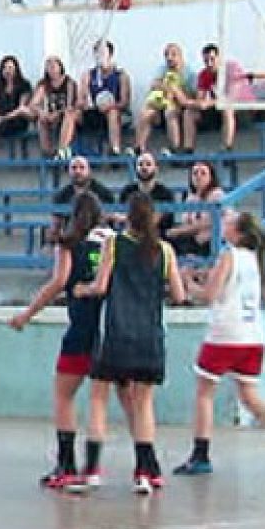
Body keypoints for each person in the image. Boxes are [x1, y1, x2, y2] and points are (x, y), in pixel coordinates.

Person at [172, 212, 265, 477]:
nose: (224, 223)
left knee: (204, 393)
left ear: (238, 232)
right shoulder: (254, 259)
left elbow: (210, 295)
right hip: (252, 335)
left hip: (225, 334)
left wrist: (186, 282)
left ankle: (201, 454)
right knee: (250, 394)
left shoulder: (229, 255)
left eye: (230, 221)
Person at [84, 193, 186, 495]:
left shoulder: (113, 244)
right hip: (149, 335)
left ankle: (92, 469)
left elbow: (101, 286)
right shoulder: (164, 250)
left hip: (117, 332)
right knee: (144, 404)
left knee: (99, 398)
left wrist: (83, 288)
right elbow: (179, 296)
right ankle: (144, 472)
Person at [8, 192, 109, 492]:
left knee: (64, 396)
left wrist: (27, 313)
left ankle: (66, 465)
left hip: (81, 329)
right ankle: (96, 467)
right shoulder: (113, 242)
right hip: (109, 331)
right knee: (100, 401)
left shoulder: (68, 244)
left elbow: (58, 283)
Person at [183, 43, 255, 153]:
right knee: (189, 112)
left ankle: (227, 148)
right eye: (206, 61)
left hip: (243, 109)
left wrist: (208, 103)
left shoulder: (232, 68)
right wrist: (195, 104)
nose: (209, 64)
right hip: (218, 110)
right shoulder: (204, 74)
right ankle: (188, 150)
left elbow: (231, 97)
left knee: (227, 108)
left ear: (219, 58)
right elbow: (200, 98)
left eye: (212, 59)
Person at [168, 162, 225, 294]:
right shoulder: (190, 197)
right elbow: (186, 221)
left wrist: (179, 231)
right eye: (195, 173)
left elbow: (208, 222)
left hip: (211, 240)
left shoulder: (217, 195)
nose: (198, 176)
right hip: (193, 240)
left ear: (211, 177)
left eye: (203, 173)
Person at [134, 43, 192, 155]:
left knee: (170, 112)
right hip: (161, 103)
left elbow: (190, 96)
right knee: (145, 113)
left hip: (179, 106)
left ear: (181, 56)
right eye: (166, 55)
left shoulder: (189, 73)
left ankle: (174, 148)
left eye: (173, 55)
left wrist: (174, 92)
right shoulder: (162, 69)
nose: (169, 58)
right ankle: (139, 147)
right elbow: (154, 85)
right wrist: (167, 88)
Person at [80, 41, 133, 156]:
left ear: (110, 54)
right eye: (97, 53)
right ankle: (63, 151)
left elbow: (124, 102)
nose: (99, 56)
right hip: (95, 112)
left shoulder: (121, 75)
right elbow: (81, 98)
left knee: (113, 113)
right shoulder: (89, 75)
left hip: (117, 112)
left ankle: (115, 149)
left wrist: (109, 106)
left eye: (103, 52)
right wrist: (86, 103)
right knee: (72, 113)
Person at [51, 154, 115, 239]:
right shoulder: (61, 195)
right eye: (74, 168)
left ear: (89, 170)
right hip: (71, 239)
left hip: (98, 238)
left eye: (82, 167)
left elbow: (110, 221)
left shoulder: (104, 193)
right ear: (68, 171)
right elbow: (56, 225)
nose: (77, 171)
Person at [0, 54, 35, 154]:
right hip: (0, 120)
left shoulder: (24, 85)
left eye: (10, 67)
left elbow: (21, 108)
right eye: (5, 68)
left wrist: (3, 118)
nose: (7, 70)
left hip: (17, 119)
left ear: (16, 69)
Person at [31, 56, 80, 160]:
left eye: (53, 66)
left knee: (69, 115)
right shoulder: (44, 84)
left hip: (69, 114)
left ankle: (62, 149)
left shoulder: (69, 82)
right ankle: (47, 152)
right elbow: (33, 104)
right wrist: (42, 112)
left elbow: (70, 105)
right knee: (41, 120)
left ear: (60, 67)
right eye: (48, 67)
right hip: (51, 115)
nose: (51, 69)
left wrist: (57, 113)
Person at [117, 151, 176, 235]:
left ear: (156, 168)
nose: (144, 167)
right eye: (140, 164)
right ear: (135, 168)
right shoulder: (127, 191)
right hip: (130, 236)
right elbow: (120, 217)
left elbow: (157, 221)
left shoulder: (165, 193)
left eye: (148, 164)